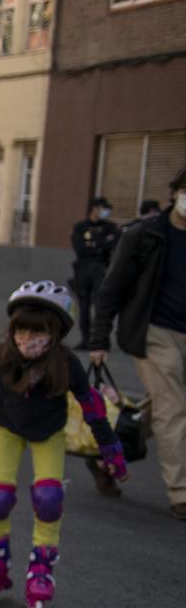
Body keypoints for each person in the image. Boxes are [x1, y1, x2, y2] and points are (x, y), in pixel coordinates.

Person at [0, 282, 126, 608]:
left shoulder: (65, 362)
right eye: (21, 330)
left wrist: (110, 448)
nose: (27, 339)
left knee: (49, 498)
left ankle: (42, 566)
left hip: (48, 433)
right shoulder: (5, 352)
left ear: (56, 333)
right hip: (7, 428)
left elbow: (91, 405)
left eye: (38, 332)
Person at [88, 167, 186, 520]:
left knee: (163, 405)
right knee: (173, 409)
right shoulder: (146, 235)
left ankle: (108, 456)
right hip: (154, 332)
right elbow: (111, 288)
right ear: (175, 192)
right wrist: (99, 339)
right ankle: (180, 492)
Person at [69, 197, 120, 347]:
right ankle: (85, 338)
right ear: (95, 209)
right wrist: (101, 245)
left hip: (102, 269)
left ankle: (100, 338)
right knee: (84, 306)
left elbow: (114, 244)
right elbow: (79, 248)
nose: (106, 212)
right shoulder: (80, 227)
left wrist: (95, 246)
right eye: (104, 208)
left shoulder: (110, 227)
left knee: (101, 305)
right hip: (83, 270)